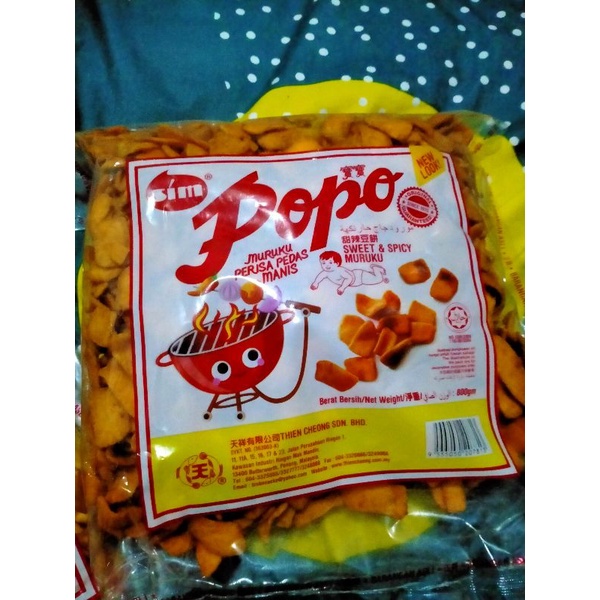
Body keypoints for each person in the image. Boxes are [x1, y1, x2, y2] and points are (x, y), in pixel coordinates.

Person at [310, 250, 388, 295]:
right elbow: (320, 277)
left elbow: (349, 278)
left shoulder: (339, 271)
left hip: (359, 277)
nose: (327, 265)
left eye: (330, 262)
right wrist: (315, 283)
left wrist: (342, 288)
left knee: (377, 279)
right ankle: (377, 273)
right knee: (373, 278)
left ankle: (376, 269)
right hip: (357, 278)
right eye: (323, 263)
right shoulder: (326, 272)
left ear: (337, 263)